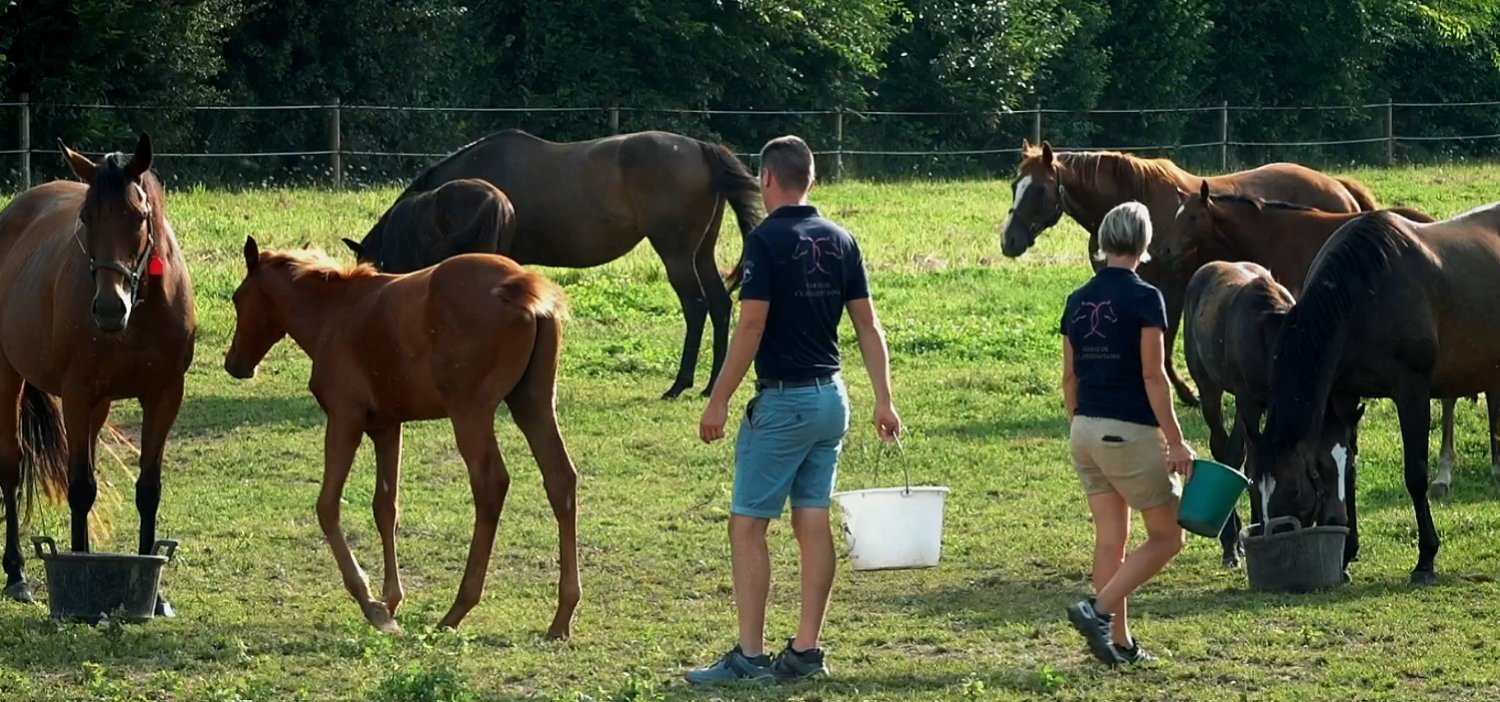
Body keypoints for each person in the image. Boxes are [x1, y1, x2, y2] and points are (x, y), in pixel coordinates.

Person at [688, 135, 902, 684]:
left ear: (765, 178)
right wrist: (884, 398)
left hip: (784, 402)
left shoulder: (764, 241)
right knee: (812, 521)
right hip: (833, 399)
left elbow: (752, 326)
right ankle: (806, 649)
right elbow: (868, 325)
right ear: (812, 180)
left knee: (747, 526)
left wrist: (719, 398)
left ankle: (750, 656)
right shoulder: (842, 239)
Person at [1061, 201, 1195, 666]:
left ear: (1103, 242)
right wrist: (1175, 440)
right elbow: (1154, 376)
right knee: (1167, 537)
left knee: (1110, 540)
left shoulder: (1077, 300)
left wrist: (1082, 425)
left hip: (1084, 431)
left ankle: (1118, 643)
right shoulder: (1145, 298)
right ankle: (1097, 611)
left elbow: (1069, 379)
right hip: (1128, 433)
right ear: (1144, 243)